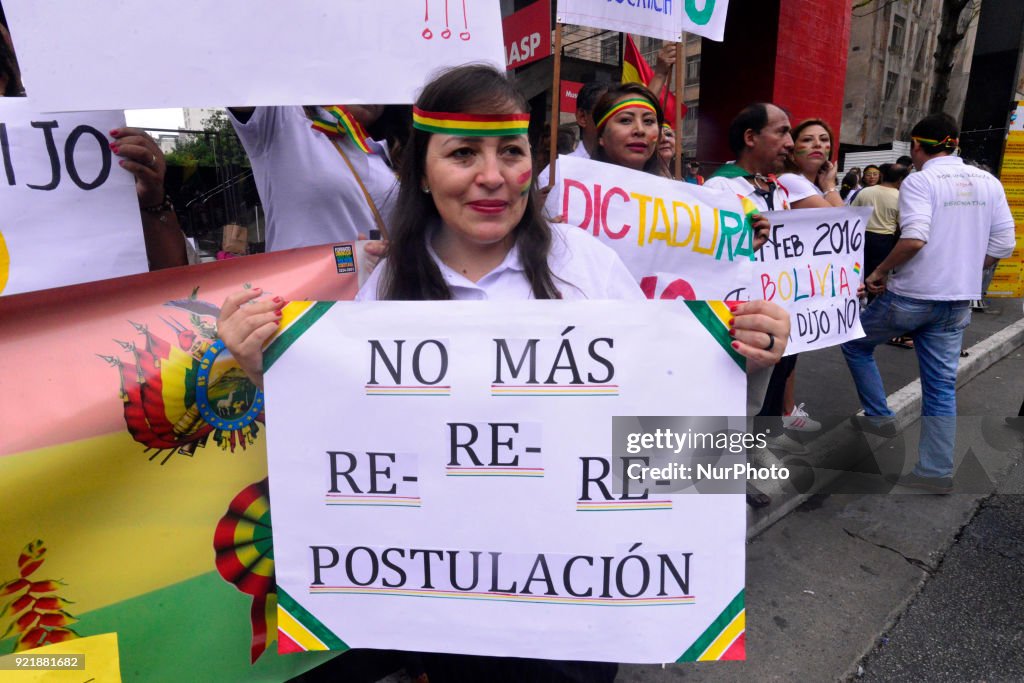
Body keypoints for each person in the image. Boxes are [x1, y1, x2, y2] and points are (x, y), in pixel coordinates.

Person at [220, 63, 790, 681]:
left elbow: (676, 430)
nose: (491, 177)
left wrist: (745, 361)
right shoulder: (388, 286)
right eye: (463, 153)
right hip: (446, 605)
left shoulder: (586, 266)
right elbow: (349, 439)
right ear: (422, 171)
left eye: (511, 152)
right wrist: (264, 370)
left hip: (580, 605)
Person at [841, 114, 1016, 493]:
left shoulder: (920, 180)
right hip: (957, 302)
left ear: (918, 147)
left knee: (855, 343)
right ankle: (935, 472)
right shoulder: (989, 182)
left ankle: (879, 417)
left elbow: (915, 238)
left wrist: (880, 273)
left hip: (911, 297)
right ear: (954, 145)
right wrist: (967, 267)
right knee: (939, 387)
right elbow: (1004, 245)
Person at [227, 104, 403, 251]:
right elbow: (242, 80)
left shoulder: (388, 152)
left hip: (376, 290)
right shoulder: (283, 118)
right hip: (306, 290)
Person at [851, 162, 910, 342]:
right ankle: (870, 321)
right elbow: (903, 225)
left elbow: (851, 213)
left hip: (861, 237)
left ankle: (852, 317)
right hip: (885, 240)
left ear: (882, 176)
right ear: (900, 179)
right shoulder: (901, 197)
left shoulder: (865, 192)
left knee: (858, 275)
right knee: (877, 280)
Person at [537, 81, 609, 187]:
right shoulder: (555, 176)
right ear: (582, 117)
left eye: (622, 119)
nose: (612, 123)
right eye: (605, 113)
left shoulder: (632, 173)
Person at [589, 82, 668, 176]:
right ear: (601, 135)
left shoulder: (671, 190)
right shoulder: (573, 186)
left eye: (648, 121)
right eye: (625, 120)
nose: (640, 130)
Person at [777, 118, 842, 208]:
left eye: (824, 139)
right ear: (791, 151)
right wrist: (830, 186)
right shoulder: (789, 180)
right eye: (807, 140)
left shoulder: (817, 186)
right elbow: (841, 218)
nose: (818, 144)